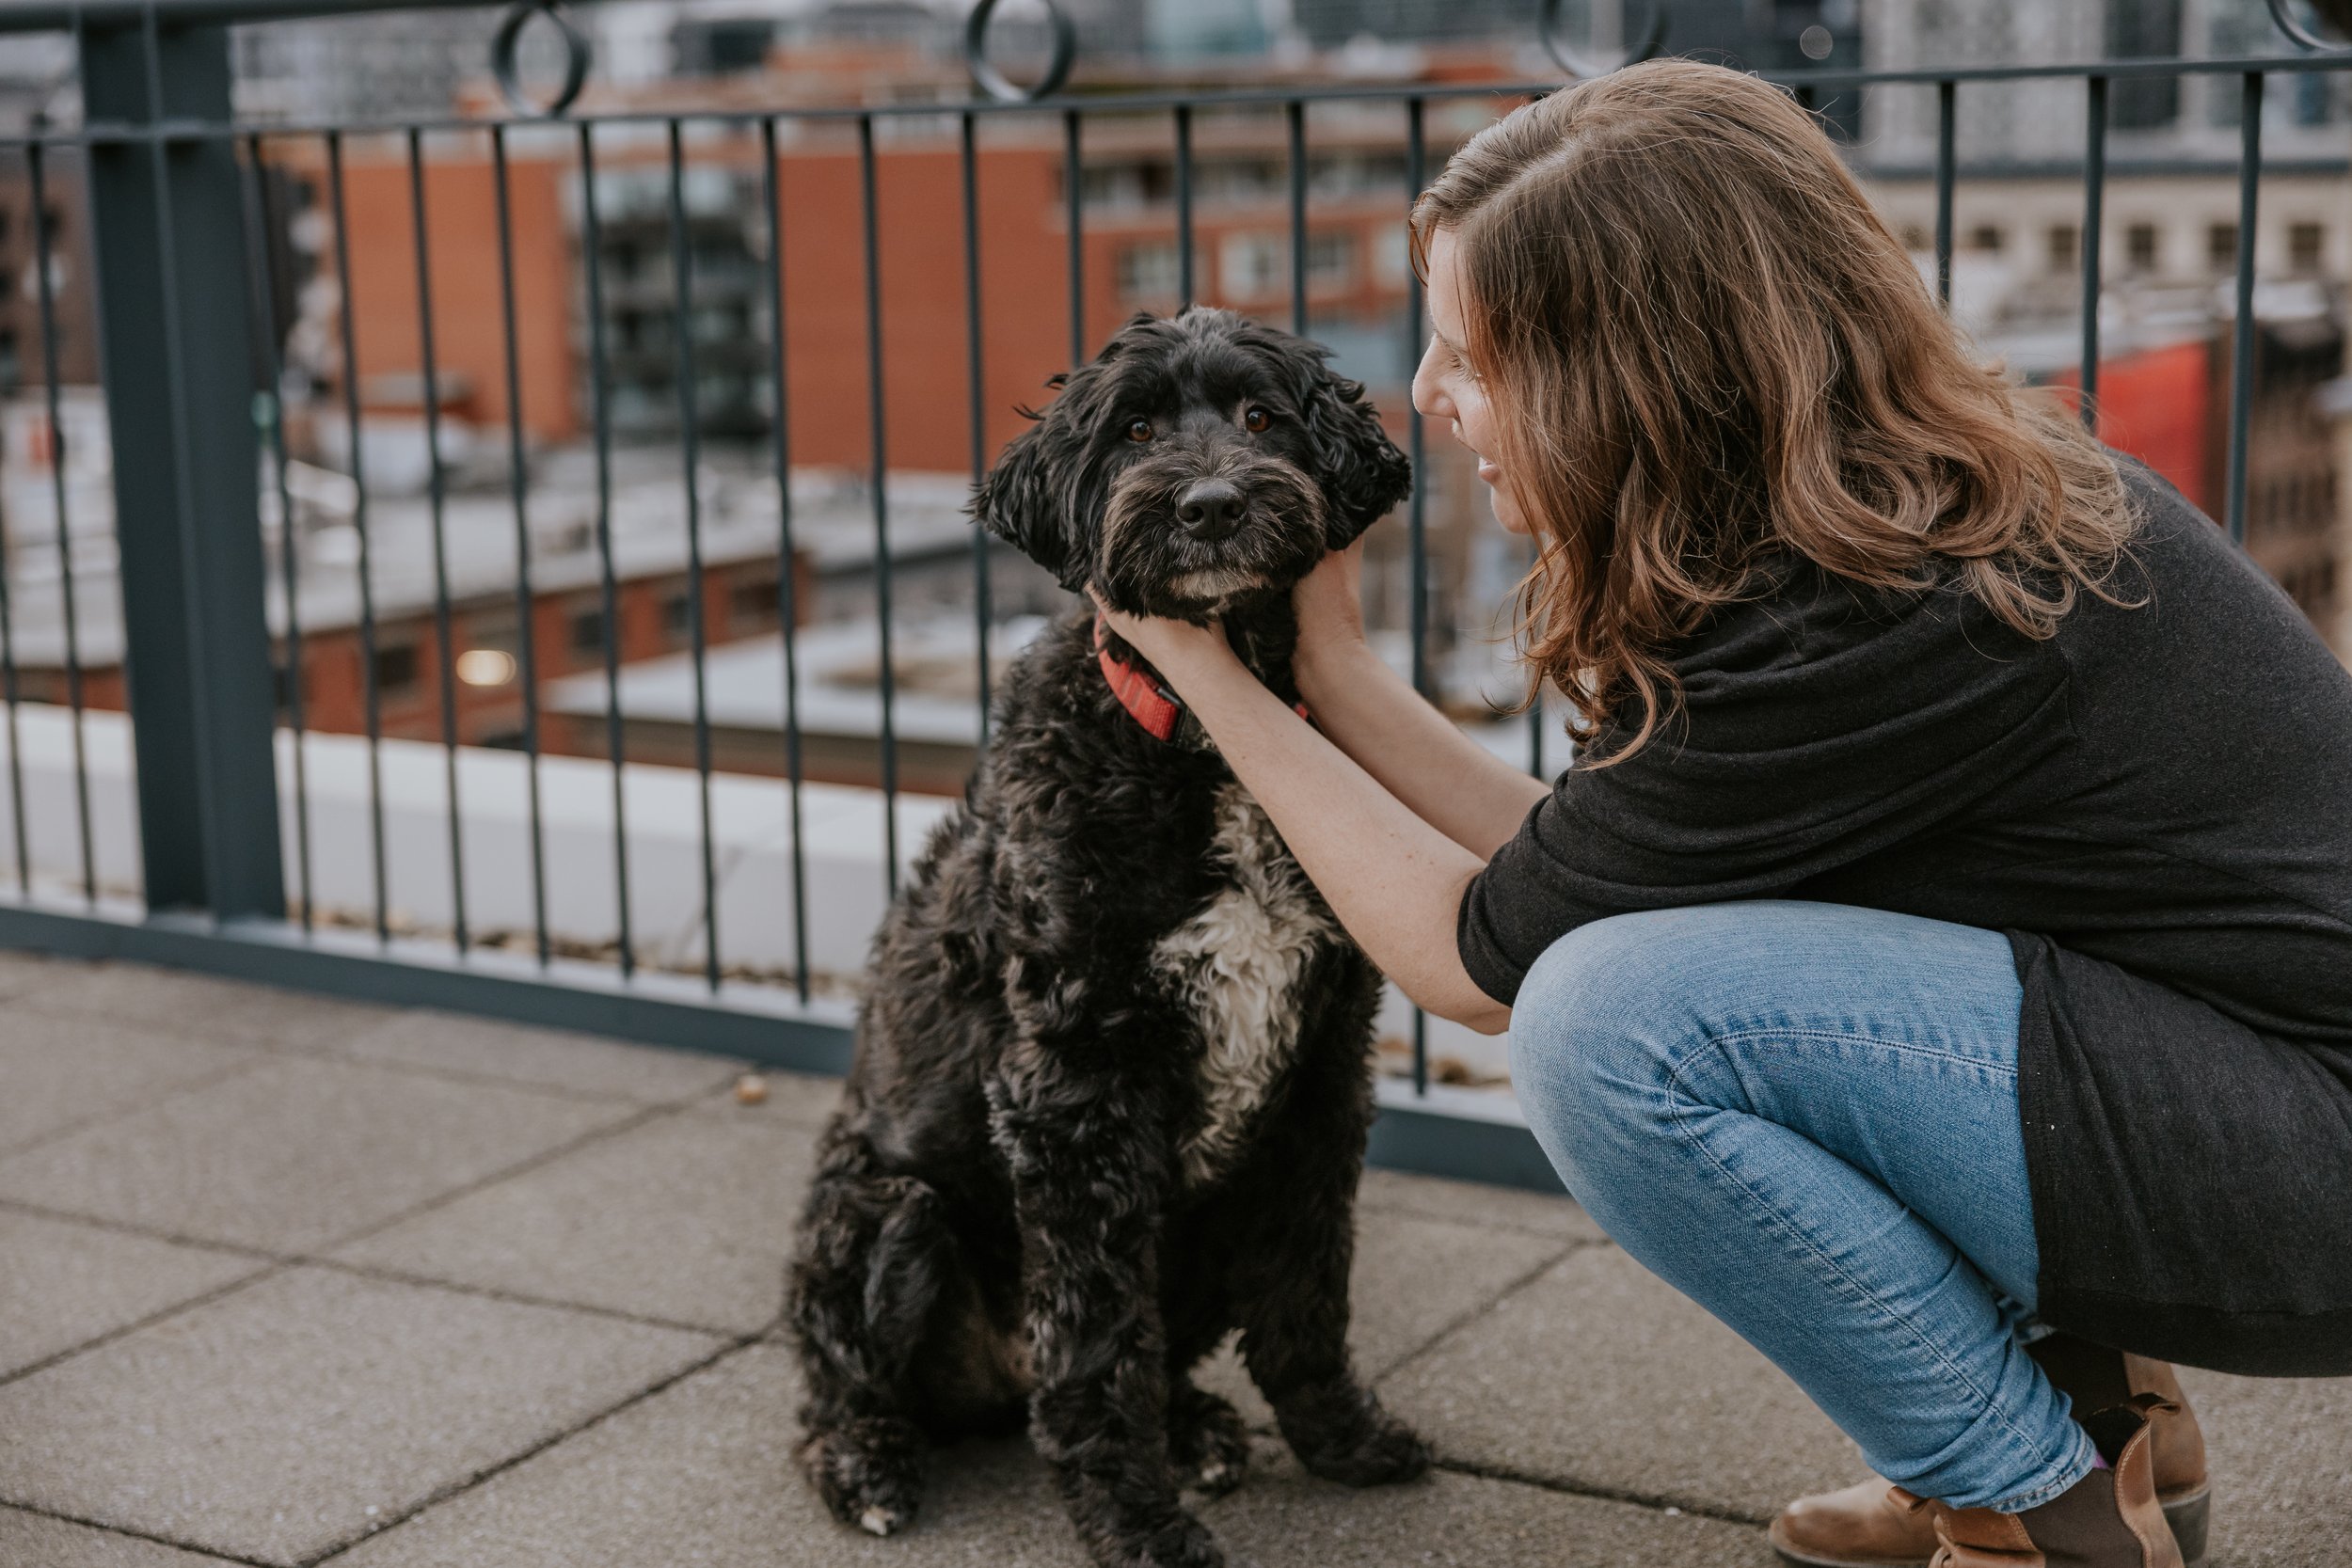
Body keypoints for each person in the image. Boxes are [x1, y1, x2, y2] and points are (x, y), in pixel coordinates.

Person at [1091, 57, 2352, 1568]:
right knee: (1677, 959)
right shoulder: (1875, 513)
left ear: (1621, 371)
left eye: (1469, 357)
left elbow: (1475, 962)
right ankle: (2091, 1432)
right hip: (2247, 1085)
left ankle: (2037, 1507)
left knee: (1609, 1028)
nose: (1424, 398)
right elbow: (1574, 869)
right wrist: (1336, 670)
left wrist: (1195, 669)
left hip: (2311, 1171)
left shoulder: (1859, 615)